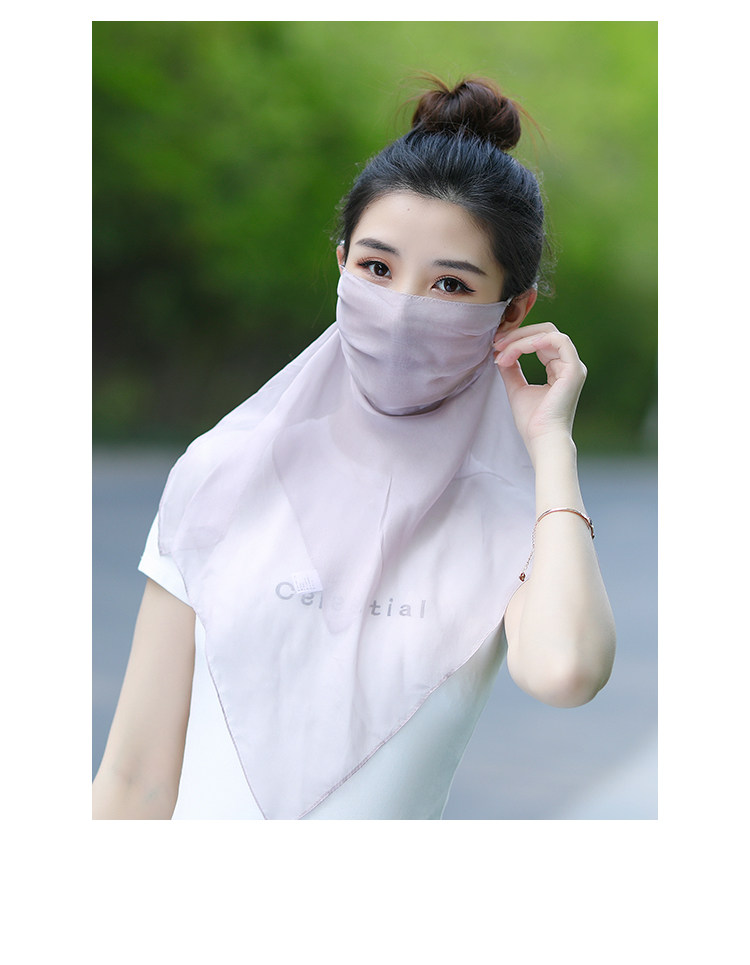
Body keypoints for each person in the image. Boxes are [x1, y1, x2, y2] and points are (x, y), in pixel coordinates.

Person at [93, 75, 616, 820]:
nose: (400, 309)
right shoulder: (223, 472)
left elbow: (566, 671)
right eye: (377, 268)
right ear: (342, 262)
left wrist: (552, 447)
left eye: (450, 285)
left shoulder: (513, 515)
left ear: (512, 313)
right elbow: (133, 781)